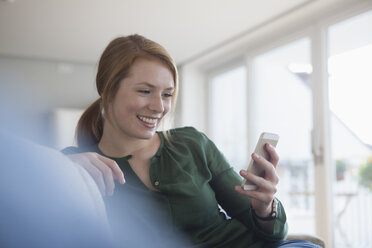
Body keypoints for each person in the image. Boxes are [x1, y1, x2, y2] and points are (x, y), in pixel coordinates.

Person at [62, 34, 320, 248]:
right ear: (107, 89)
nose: (159, 107)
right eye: (144, 91)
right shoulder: (78, 166)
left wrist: (266, 207)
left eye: (167, 94)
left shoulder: (191, 143)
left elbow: (273, 234)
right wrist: (62, 164)